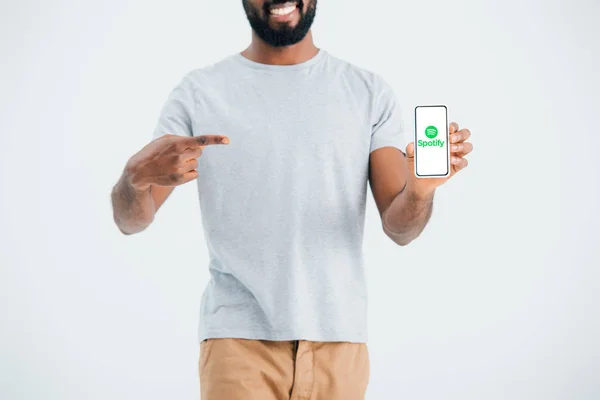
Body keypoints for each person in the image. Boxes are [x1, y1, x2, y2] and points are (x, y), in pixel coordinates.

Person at [110, 0, 473, 398]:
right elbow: (132, 220)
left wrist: (419, 191)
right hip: (237, 343)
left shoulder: (367, 92)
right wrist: (132, 179)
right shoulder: (199, 93)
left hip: (340, 344)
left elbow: (400, 228)